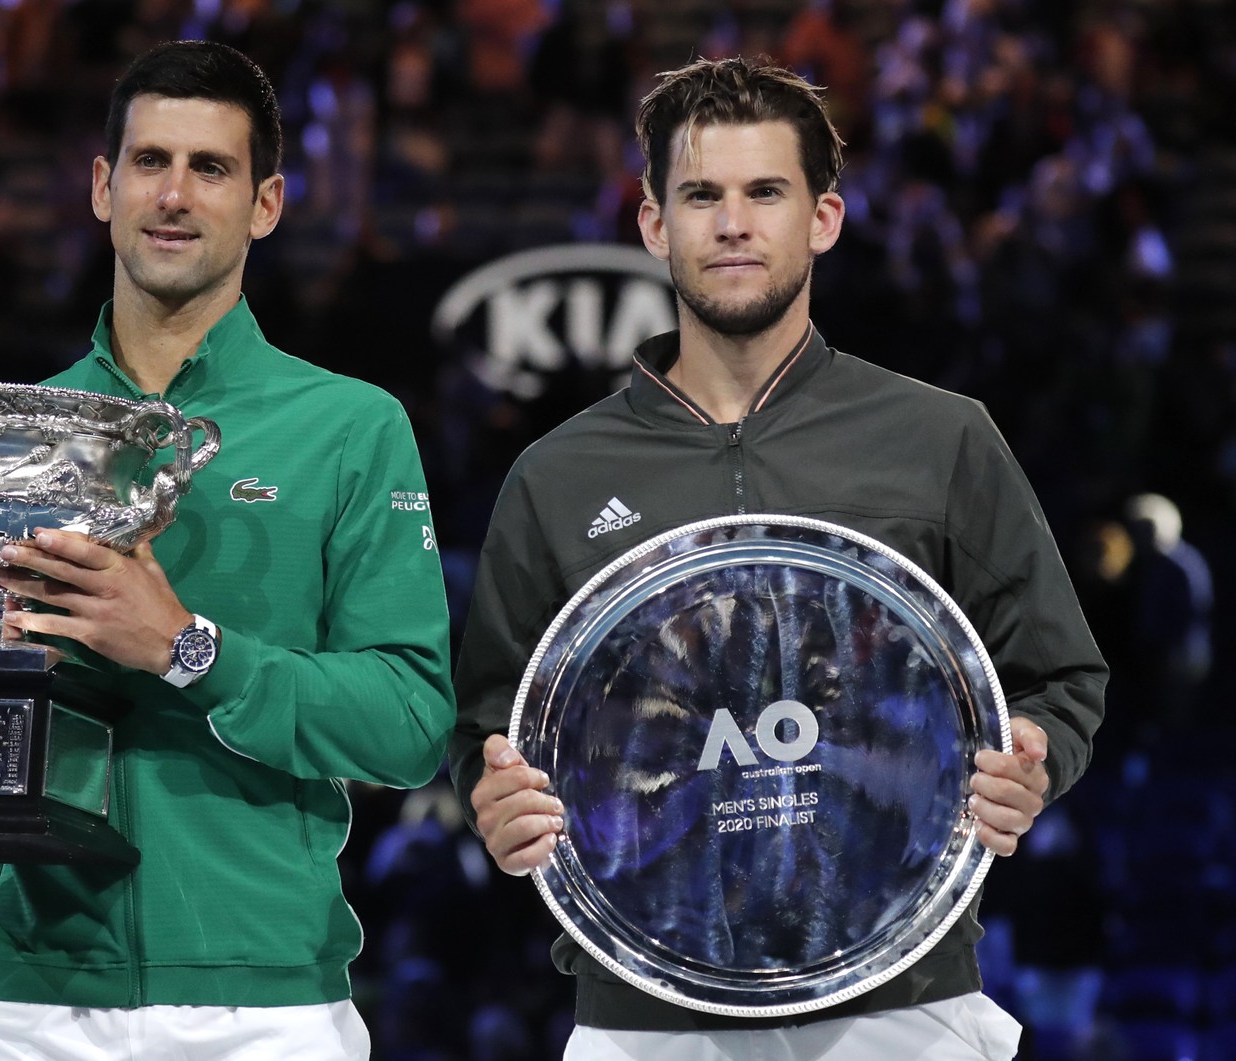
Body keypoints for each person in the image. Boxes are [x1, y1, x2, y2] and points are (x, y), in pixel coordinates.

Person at [450, 56, 1106, 1060]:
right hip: (645, 1012)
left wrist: (1038, 757)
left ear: (824, 218)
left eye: (766, 192)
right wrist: (494, 797)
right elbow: (497, 722)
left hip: (905, 997)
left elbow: (1062, 678)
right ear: (655, 226)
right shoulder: (559, 474)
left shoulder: (940, 438)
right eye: (701, 195)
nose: (734, 222)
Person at [0, 40, 455, 1059]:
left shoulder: (350, 427)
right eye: (149, 162)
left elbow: (407, 723)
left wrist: (187, 646)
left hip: (264, 1005)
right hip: (27, 1002)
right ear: (102, 186)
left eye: (210, 168)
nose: (173, 194)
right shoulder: (1, 440)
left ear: (266, 203)